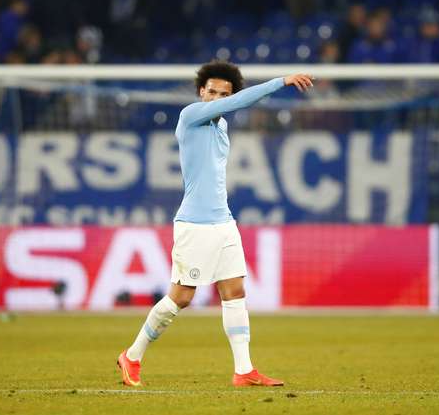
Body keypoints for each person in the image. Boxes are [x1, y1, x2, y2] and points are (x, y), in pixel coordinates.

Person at [117, 62, 314, 387]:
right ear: (201, 92)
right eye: (212, 92)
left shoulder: (220, 126)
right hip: (195, 223)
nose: (217, 99)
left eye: (224, 94)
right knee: (181, 297)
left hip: (224, 221)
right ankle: (132, 356)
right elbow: (238, 103)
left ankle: (244, 370)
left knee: (234, 291)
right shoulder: (190, 116)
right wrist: (281, 82)